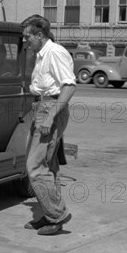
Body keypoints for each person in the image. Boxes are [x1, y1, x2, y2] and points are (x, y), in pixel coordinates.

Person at [21, 14, 76, 235]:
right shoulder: (42, 54)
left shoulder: (55, 53)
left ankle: (56, 215)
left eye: (28, 37)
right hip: (43, 107)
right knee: (47, 166)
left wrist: (51, 115)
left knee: (34, 167)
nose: (25, 41)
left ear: (40, 34)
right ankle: (49, 213)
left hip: (50, 108)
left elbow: (69, 86)